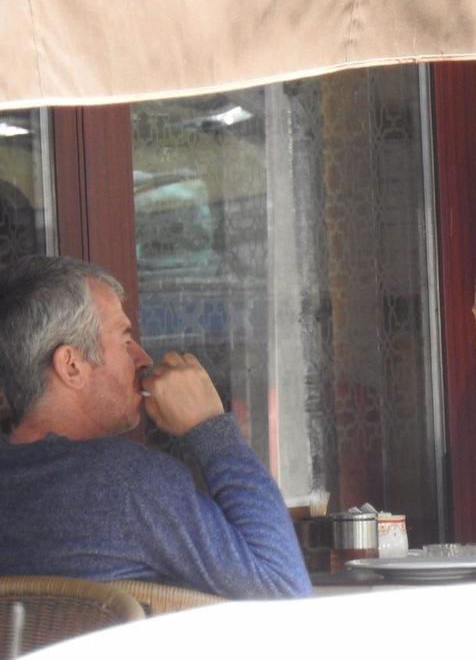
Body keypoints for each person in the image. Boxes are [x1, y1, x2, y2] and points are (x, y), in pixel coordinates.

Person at [0, 255, 311, 598]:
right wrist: (210, 427)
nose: (144, 358)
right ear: (71, 366)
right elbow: (285, 593)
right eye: (125, 340)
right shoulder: (123, 482)